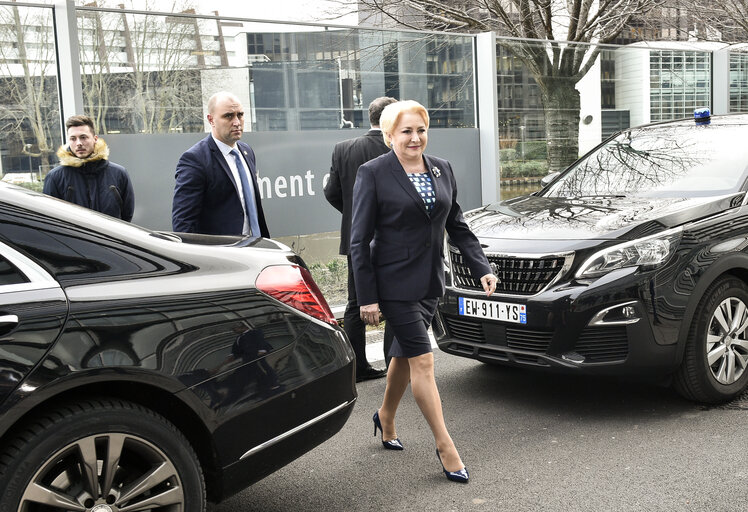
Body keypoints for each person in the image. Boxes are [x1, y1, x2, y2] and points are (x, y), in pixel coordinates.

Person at [349, 100, 497, 484]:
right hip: (393, 283)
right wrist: (367, 296)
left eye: (420, 130)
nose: (415, 138)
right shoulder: (373, 173)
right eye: (405, 131)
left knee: (403, 356)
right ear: (388, 136)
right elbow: (359, 240)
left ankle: (385, 417)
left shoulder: (441, 168)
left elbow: (457, 225)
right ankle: (445, 445)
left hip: (431, 281)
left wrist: (480, 266)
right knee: (424, 361)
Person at [324, 96, 397, 381]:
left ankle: (358, 368)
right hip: (391, 239)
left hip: (357, 240)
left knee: (355, 303)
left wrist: (356, 215)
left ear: (370, 117)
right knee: (395, 303)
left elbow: (331, 193)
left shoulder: (343, 149)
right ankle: (396, 367)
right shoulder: (398, 147)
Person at [172, 91, 269, 237]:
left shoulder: (246, 151)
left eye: (240, 115)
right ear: (211, 120)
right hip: (221, 255)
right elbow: (183, 224)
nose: (237, 122)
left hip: (255, 248)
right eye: (228, 116)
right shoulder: (195, 159)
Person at [44, 115, 134, 221]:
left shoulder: (118, 174)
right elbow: (50, 218)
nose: (79, 143)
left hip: (110, 237)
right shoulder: (55, 177)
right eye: (73, 139)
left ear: (95, 139)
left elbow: (127, 215)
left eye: (83, 137)